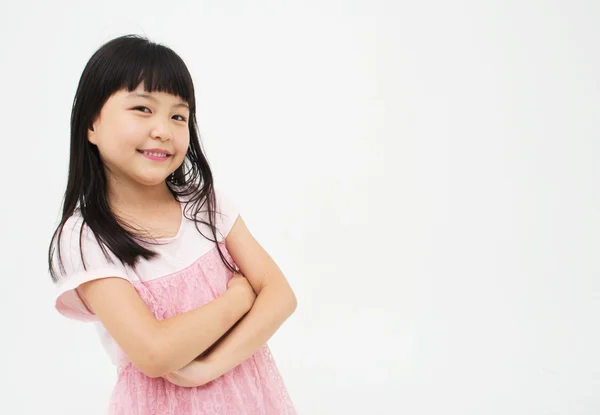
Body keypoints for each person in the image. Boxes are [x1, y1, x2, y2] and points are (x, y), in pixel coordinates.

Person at [48, 34, 298, 414]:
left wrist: (208, 368)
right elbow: (154, 351)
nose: (163, 130)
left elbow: (281, 296)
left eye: (178, 116)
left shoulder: (205, 206)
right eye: (143, 109)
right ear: (92, 124)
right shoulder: (86, 237)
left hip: (250, 399)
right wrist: (239, 299)